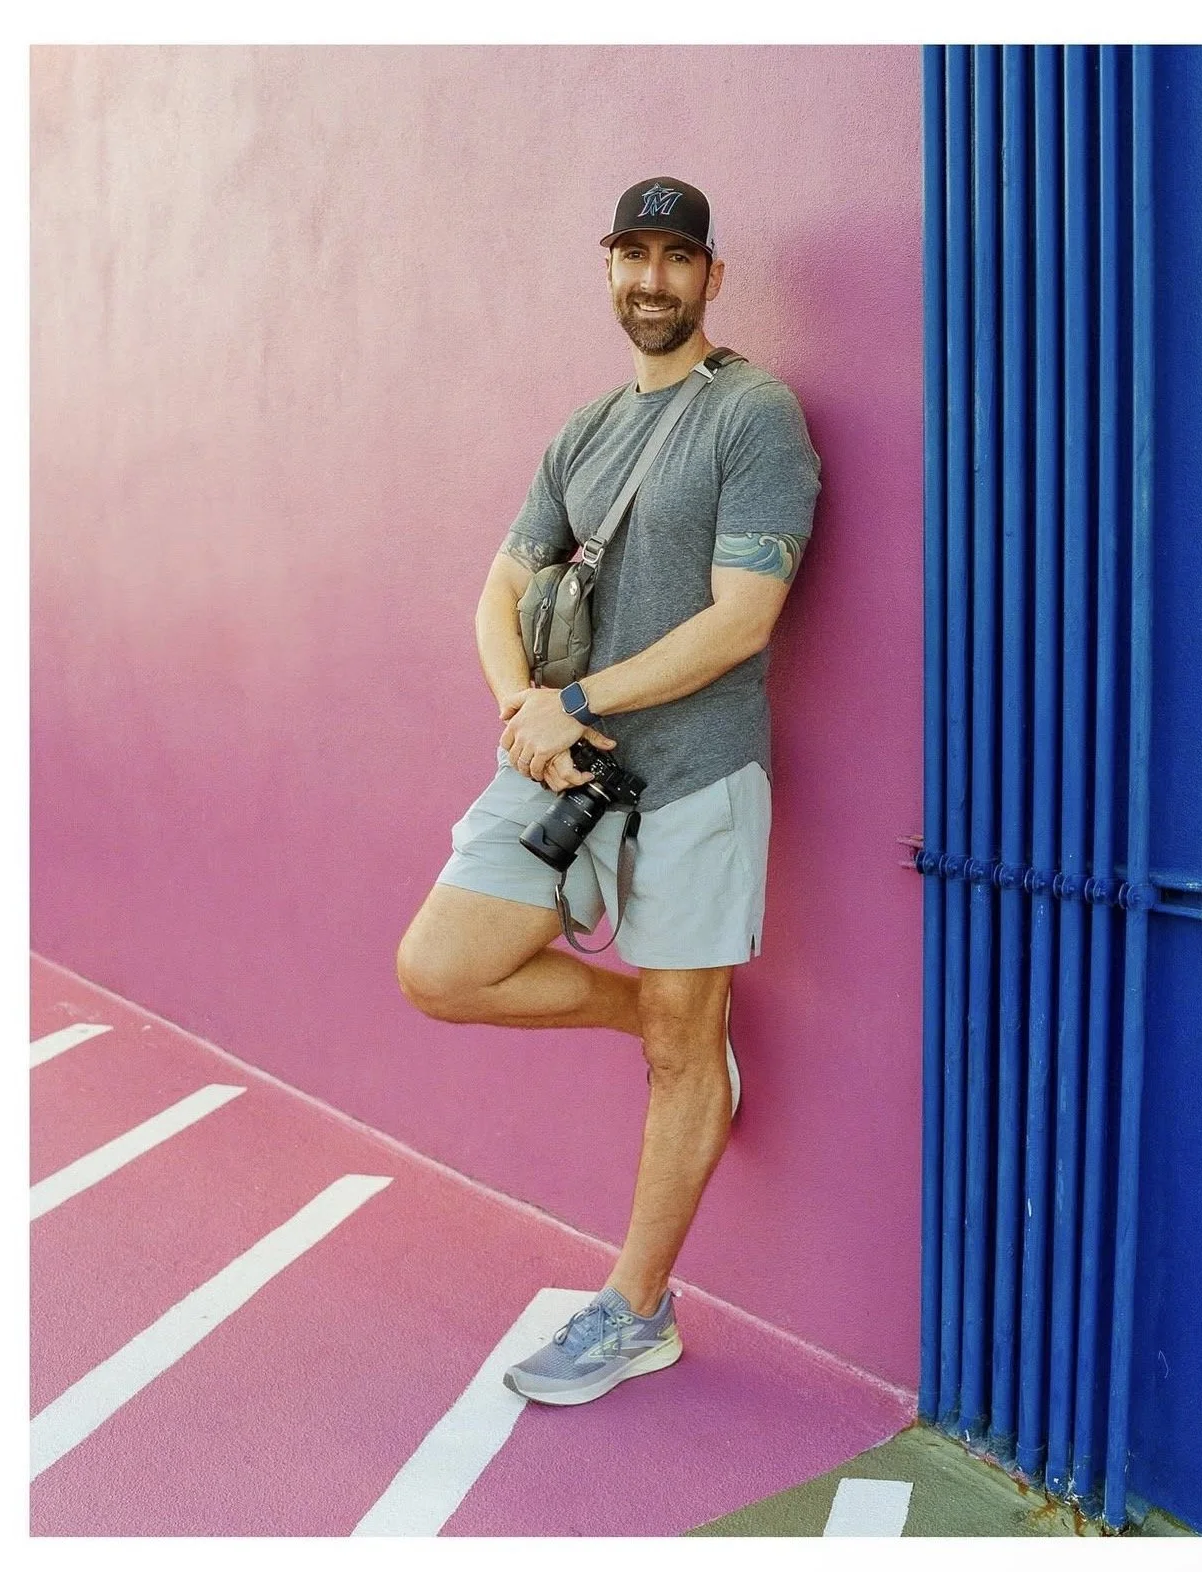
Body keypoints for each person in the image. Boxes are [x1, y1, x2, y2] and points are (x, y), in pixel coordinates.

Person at [395, 176, 821, 1406]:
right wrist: (523, 710)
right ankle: (661, 1024)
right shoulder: (581, 432)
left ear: (711, 279)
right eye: (632, 255)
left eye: (676, 258)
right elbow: (497, 590)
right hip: (557, 760)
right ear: (608, 270)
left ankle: (638, 1311)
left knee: (691, 1044)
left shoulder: (754, 416)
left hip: (695, 770)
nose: (652, 279)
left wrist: (575, 703)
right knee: (442, 966)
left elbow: (742, 622)